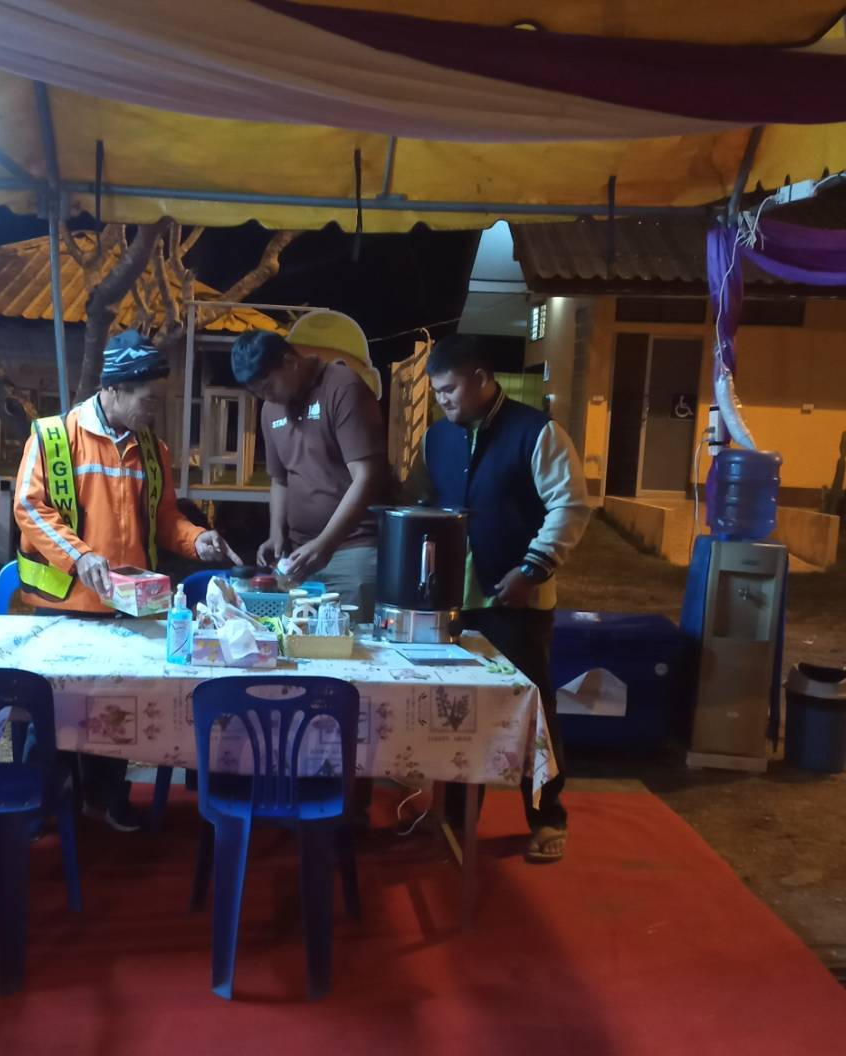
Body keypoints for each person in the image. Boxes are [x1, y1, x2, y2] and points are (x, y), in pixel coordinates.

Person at [14, 329, 239, 830]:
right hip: (64, 605)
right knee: (49, 708)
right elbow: (29, 506)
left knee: (116, 710)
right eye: (147, 399)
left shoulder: (152, 450)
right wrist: (79, 556)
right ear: (113, 389)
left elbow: (165, 520)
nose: (153, 409)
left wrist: (197, 539)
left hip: (127, 606)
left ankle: (106, 798)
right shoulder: (53, 436)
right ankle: (41, 805)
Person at [409, 334, 591, 863]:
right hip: (451, 603)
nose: (442, 400)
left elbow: (570, 506)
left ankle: (548, 817)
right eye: (436, 392)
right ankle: (456, 817)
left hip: (517, 602)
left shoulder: (537, 433)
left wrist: (532, 569)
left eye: (449, 389)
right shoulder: (436, 440)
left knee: (533, 714)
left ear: (482, 378)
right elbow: (421, 502)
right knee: (455, 711)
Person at [229, 328, 387, 612]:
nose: (266, 397)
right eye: (257, 392)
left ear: (290, 362)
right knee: (294, 635)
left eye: (268, 386)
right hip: (299, 557)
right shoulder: (270, 409)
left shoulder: (343, 387)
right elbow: (280, 480)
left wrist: (326, 544)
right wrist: (276, 533)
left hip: (352, 551)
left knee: (352, 638)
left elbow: (366, 476)